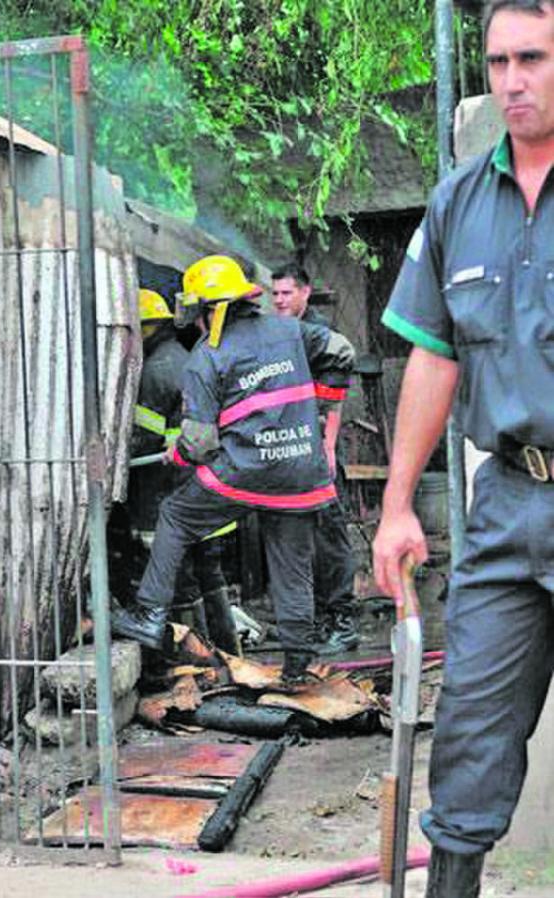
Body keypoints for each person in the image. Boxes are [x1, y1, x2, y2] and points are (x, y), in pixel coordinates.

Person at [372, 2, 554, 894]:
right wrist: (396, 504)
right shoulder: (457, 203)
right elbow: (434, 356)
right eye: (498, 62)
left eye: (534, 59)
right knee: (468, 746)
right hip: (508, 503)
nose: (513, 81)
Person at [112, 255, 355, 683]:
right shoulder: (289, 331)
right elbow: (343, 351)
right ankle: (297, 665)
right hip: (302, 473)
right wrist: (320, 407)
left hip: (244, 473)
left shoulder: (206, 356)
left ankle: (149, 614)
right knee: (292, 566)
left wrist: (179, 455)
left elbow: (200, 444)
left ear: (207, 309)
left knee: (176, 515)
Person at [128, 289, 239, 653]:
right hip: (206, 487)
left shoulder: (153, 372)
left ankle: (195, 659)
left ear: (143, 329)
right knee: (210, 574)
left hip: (169, 488)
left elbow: (144, 439)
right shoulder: (187, 358)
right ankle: (228, 654)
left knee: (181, 582)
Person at [271, 263, 360, 654]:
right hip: (293, 447)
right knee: (305, 539)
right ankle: (322, 619)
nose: (279, 300)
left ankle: (343, 622)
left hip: (318, 447)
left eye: (286, 293)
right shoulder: (281, 330)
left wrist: (327, 446)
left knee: (329, 535)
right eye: (275, 293)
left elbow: (334, 396)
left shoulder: (319, 333)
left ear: (305, 293)